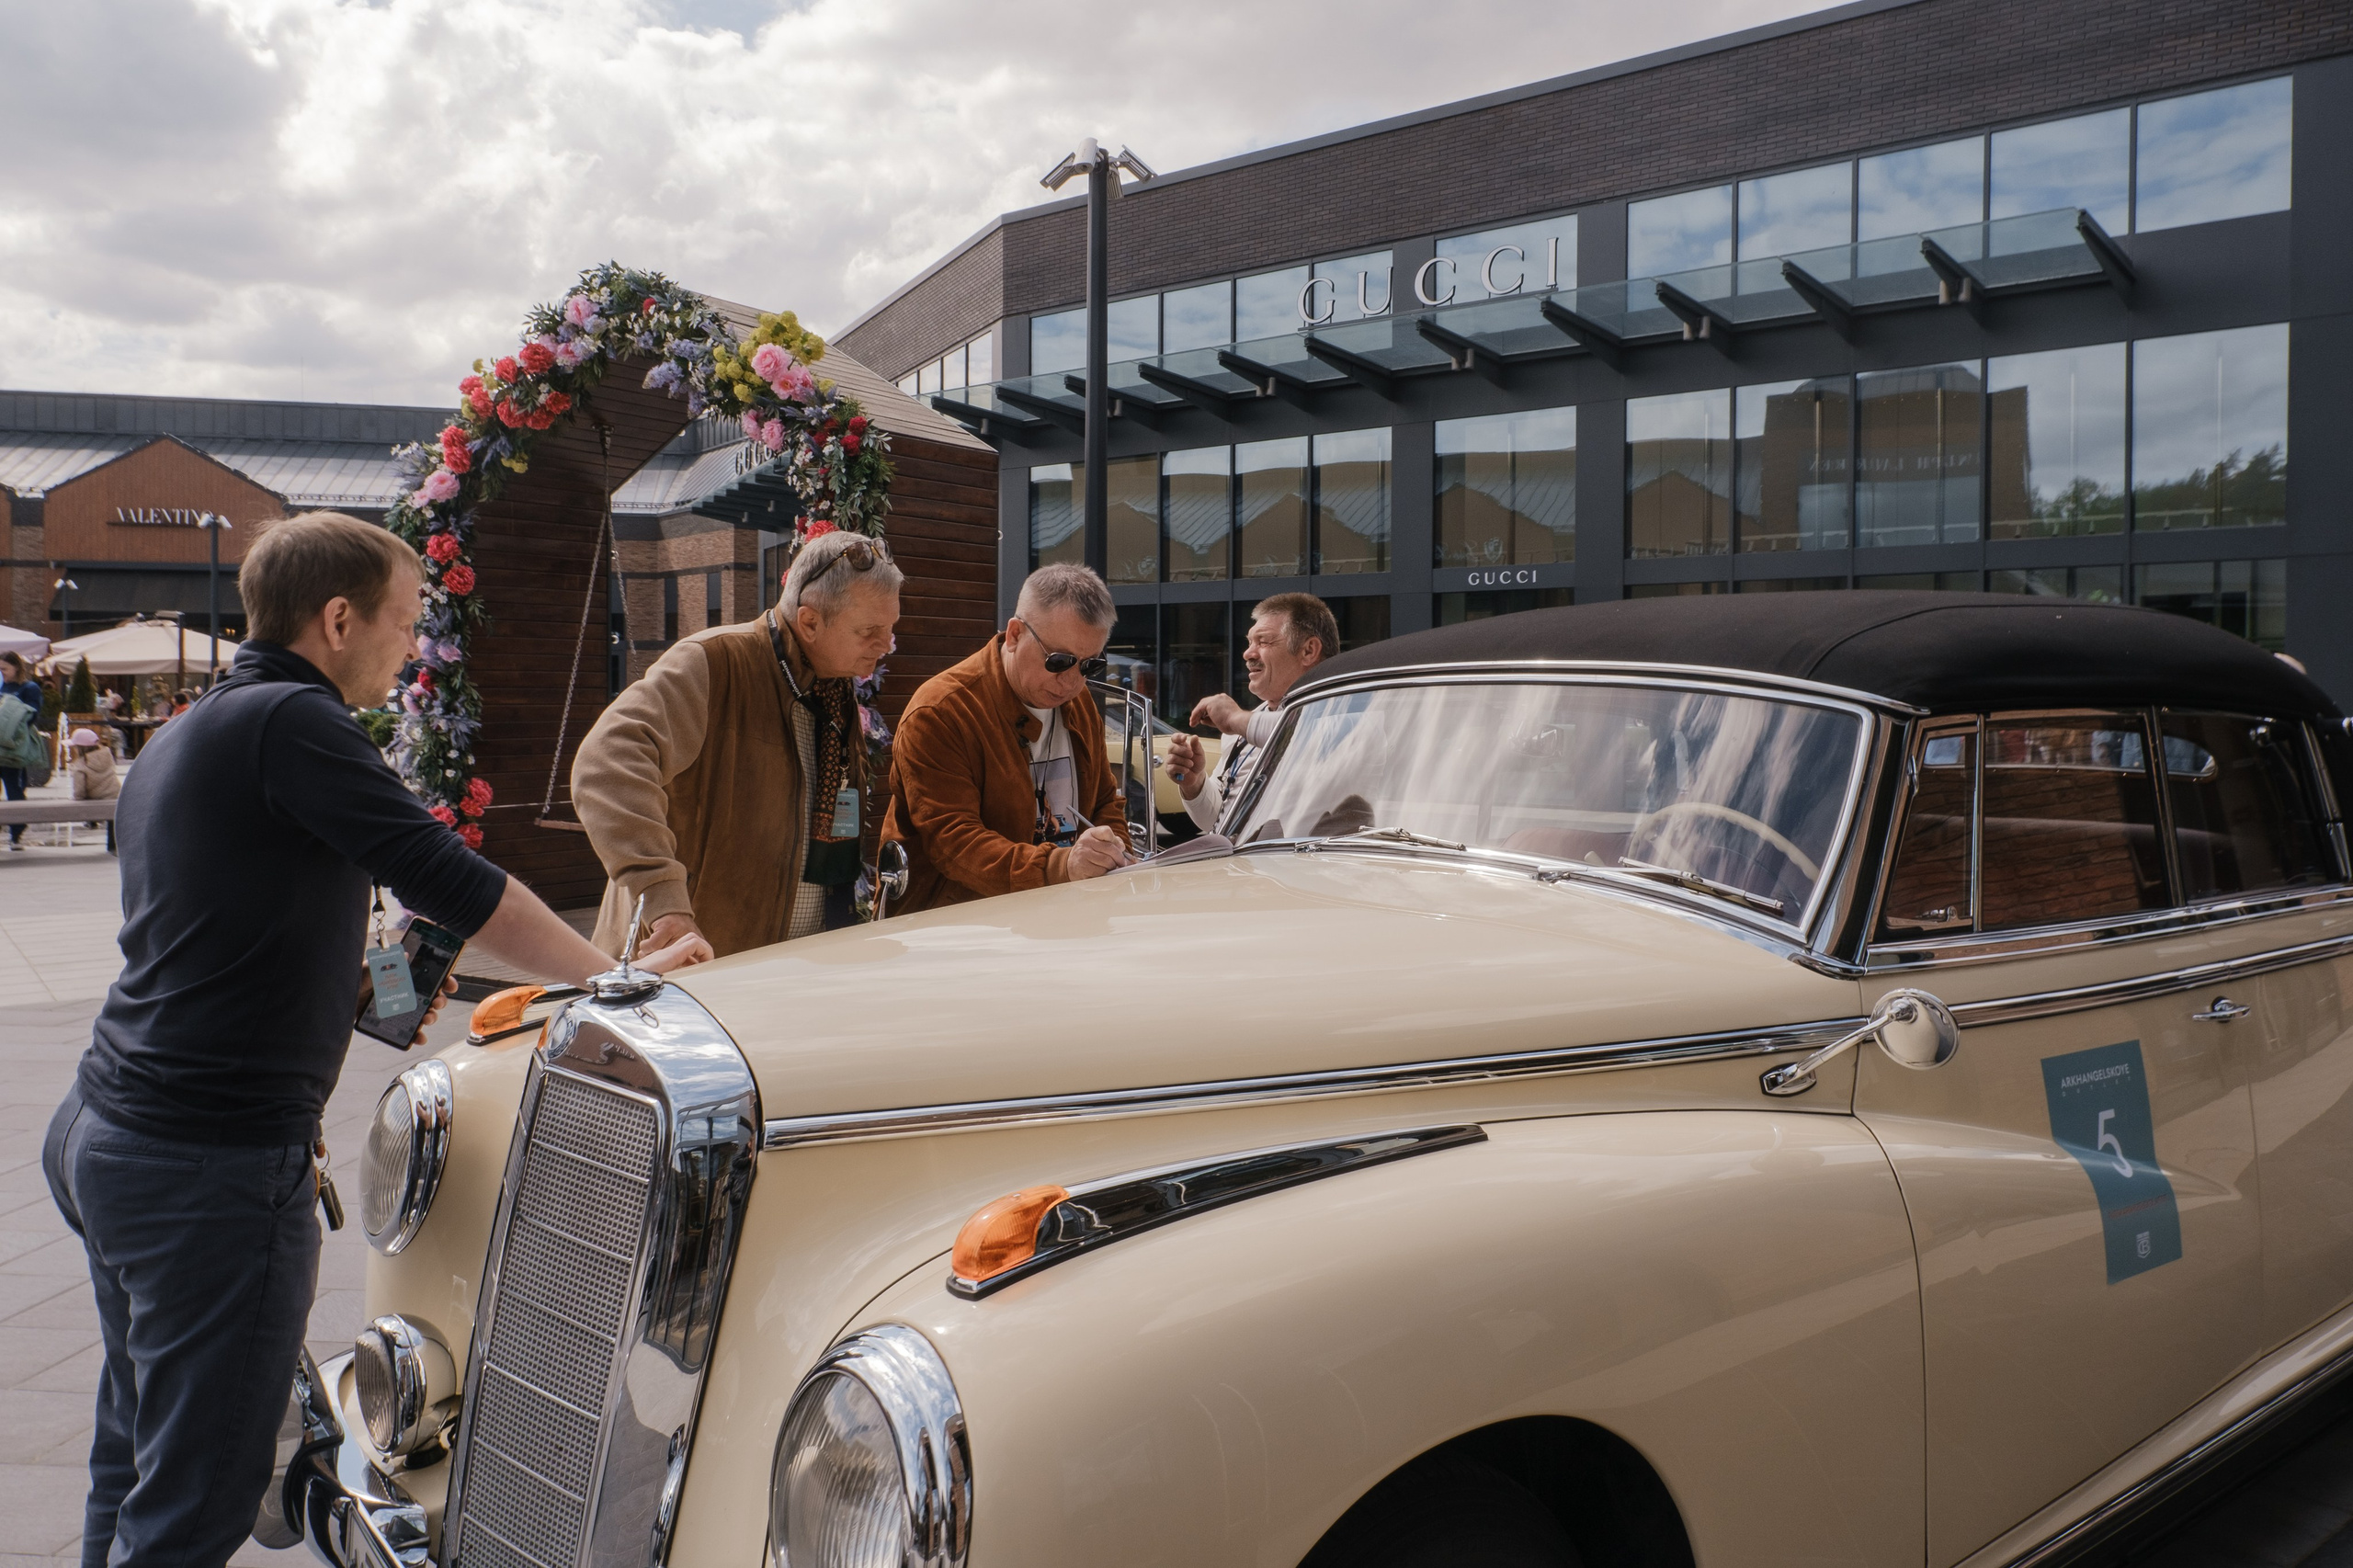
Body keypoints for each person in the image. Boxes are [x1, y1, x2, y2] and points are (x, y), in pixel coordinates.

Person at [40, 512, 710, 1568]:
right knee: (199, 1495)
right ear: (336, 617)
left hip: (109, 1124)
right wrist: (611, 973)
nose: (408, 654)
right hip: (203, 1160)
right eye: (402, 626)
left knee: (134, 1453)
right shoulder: (289, 722)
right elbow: (445, 873)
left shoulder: (186, 733)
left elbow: (217, 917)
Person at [574, 528, 903, 959]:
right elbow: (604, 765)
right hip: (689, 969)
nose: (887, 645)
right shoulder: (713, 662)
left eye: (891, 628)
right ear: (809, 622)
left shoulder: (834, 689)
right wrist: (661, 896)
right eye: (870, 631)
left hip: (792, 969)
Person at [881, 562, 1129, 914]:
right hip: (956, 933)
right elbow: (955, 843)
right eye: (1059, 661)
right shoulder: (940, 712)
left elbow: (1104, 800)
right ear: (1014, 635)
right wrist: (1061, 866)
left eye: (1090, 665)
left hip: (1062, 919)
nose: (1073, 681)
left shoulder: (1077, 701)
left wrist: (1114, 852)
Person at [1165, 593, 1338, 835]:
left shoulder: (1350, 712)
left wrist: (1235, 719)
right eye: (1249, 643)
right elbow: (1218, 821)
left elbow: (1311, 735)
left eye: (1264, 642)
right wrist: (1195, 783)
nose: (1248, 654)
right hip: (1241, 868)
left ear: (1308, 651)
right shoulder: (1245, 726)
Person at [1, 650, 42, 851]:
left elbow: (32, 715)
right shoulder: (2, 686)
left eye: (4, 669)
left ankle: (16, 834)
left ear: (16, 667)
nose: (2, 673)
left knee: (15, 789)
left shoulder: (29, 688)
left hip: (14, 750)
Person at [66, 726, 119, 854]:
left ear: (79, 748)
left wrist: (77, 798)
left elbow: (79, 792)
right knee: (112, 816)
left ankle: (92, 822)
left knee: (89, 802)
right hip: (116, 795)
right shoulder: (107, 755)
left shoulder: (80, 765)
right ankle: (113, 846)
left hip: (97, 799)